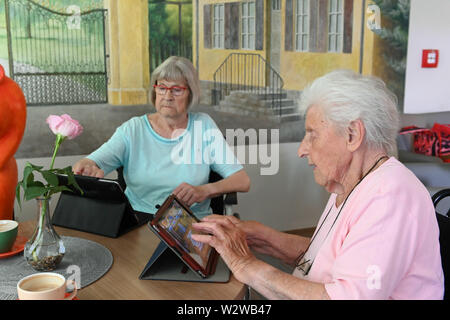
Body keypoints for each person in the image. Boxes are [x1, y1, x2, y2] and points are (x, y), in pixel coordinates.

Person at [192, 70, 444, 299]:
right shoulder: (352, 183)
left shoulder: (388, 197)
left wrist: (247, 266)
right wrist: (262, 237)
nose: (302, 149)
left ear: (352, 135)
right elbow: (329, 258)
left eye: (312, 134)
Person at [73, 56, 250, 218]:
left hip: (190, 223)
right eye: (162, 88)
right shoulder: (133, 129)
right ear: (154, 91)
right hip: (138, 221)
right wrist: (87, 166)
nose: (167, 96)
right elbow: (90, 163)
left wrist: (205, 191)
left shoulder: (203, 126)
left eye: (177, 90)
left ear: (191, 94)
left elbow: (242, 181)